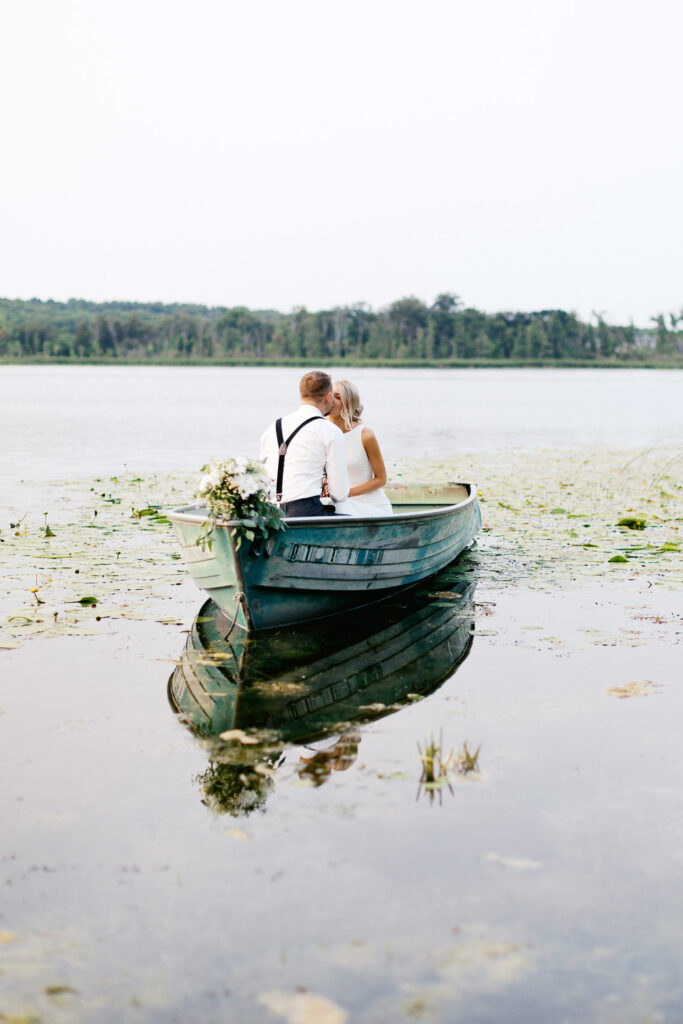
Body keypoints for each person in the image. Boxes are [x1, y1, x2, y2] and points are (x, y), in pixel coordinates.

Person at [260, 370, 350, 518]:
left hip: (270, 513)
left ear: (301, 394)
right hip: (306, 512)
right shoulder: (330, 431)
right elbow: (340, 494)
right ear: (328, 397)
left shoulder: (271, 428)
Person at [326, 379, 393, 517]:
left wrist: (346, 493)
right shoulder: (322, 434)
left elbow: (381, 479)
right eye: (330, 395)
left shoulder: (365, 435)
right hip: (339, 506)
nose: (331, 400)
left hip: (371, 506)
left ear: (349, 403)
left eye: (337, 397)